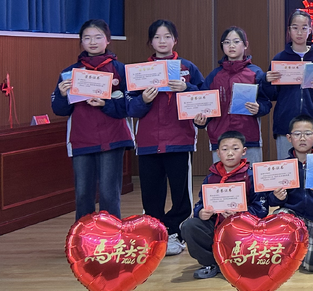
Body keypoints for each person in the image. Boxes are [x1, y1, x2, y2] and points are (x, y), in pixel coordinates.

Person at [126, 20, 204, 257]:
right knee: (151, 194)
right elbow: (130, 108)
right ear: (150, 42)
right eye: (157, 37)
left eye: (167, 36)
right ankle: (155, 234)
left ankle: (175, 233)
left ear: (175, 40)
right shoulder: (140, 72)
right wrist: (144, 100)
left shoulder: (187, 68)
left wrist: (187, 88)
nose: (162, 41)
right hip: (148, 142)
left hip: (179, 140)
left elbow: (204, 98)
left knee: (181, 194)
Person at [51, 18, 134, 220]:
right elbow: (59, 110)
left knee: (109, 194)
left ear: (107, 40)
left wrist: (106, 104)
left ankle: (111, 235)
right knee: (83, 195)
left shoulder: (120, 70)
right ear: (81, 42)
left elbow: (129, 106)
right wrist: (61, 94)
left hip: (113, 138)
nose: (93, 42)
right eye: (87, 38)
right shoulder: (70, 73)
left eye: (98, 37)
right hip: (81, 139)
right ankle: (83, 237)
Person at [179, 131, 268, 280]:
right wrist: (201, 212)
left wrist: (240, 213)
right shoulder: (211, 178)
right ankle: (211, 263)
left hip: (243, 229)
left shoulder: (251, 176)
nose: (230, 153)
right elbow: (200, 203)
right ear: (218, 153)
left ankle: (236, 262)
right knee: (189, 226)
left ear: (244, 151)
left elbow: (262, 209)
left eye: (235, 148)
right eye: (225, 149)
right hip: (216, 226)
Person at [264, 114, 313, 273]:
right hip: (292, 216)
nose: (302, 138)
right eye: (297, 134)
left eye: (307, 133)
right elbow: (269, 199)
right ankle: (291, 252)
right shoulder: (283, 167)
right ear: (289, 138)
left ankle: (308, 248)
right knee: (279, 216)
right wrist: (276, 197)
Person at [261, 9, 313, 159]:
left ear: (310, 30)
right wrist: (267, 81)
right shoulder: (280, 59)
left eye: (304, 28)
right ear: (289, 30)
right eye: (295, 28)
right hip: (286, 125)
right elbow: (271, 95)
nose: (299, 32)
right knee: (288, 169)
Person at [199, 26, 270, 166]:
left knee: (250, 178)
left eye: (236, 41)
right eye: (227, 42)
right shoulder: (214, 75)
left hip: (249, 139)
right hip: (221, 140)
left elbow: (266, 102)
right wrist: (200, 121)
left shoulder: (255, 73)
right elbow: (203, 103)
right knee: (223, 178)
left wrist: (259, 108)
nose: (231, 46)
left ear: (245, 45)